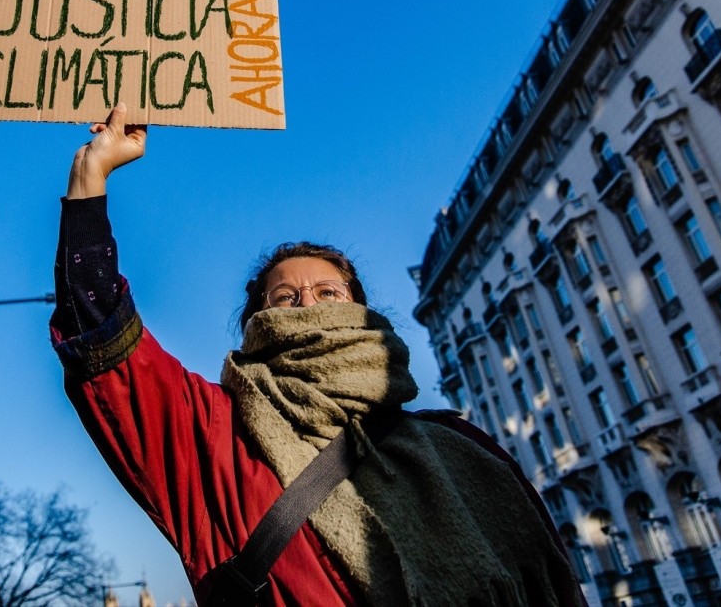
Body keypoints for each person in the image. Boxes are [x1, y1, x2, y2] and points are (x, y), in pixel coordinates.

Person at [50, 104, 585, 606]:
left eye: (328, 293)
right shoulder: (214, 437)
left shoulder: (461, 447)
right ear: (256, 325)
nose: (308, 304)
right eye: (285, 298)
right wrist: (89, 178)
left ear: (362, 311)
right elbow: (106, 345)